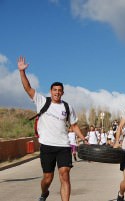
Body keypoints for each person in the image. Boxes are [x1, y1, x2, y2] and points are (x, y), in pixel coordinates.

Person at [17, 56, 88, 201]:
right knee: (47, 178)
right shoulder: (42, 101)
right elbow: (28, 88)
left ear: (63, 92)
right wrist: (22, 72)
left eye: (59, 90)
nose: (57, 92)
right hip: (47, 146)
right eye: (55, 90)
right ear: (50, 91)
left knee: (65, 175)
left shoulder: (67, 107)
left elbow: (74, 126)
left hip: (63, 146)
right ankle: (44, 192)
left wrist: (83, 139)